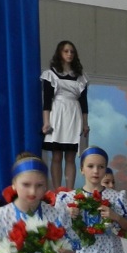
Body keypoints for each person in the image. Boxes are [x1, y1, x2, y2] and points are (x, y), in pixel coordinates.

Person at [41, 40, 89, 190]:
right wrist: (46, 122)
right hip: (57, 114)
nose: (69, 54)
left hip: (74, 115)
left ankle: (69, 192)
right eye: (66, 51)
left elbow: (84, 103)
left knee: (70, 157)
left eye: (72, 52)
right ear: (59, 53)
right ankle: (56, 192)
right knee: (56, 156)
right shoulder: (50, 75)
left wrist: (85, 123)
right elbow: (47, 101)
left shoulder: (81, 77)